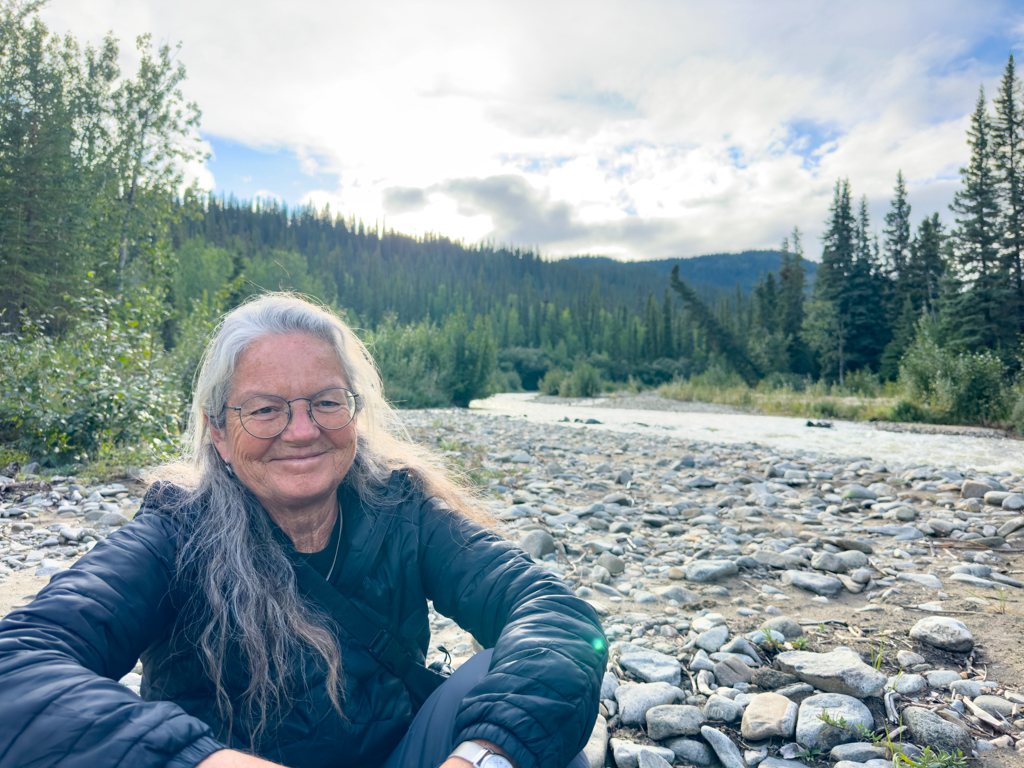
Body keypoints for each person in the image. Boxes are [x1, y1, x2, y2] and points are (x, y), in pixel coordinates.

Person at [0, 294, 607, 768]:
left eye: (325, 401)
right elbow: (18, 665)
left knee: (536, 725)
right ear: (218, 432)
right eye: (265, 409)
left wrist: (483, 755)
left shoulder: (403, 511)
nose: (301, 430)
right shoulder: (176, 535)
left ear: (354, 412)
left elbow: (553, 613)